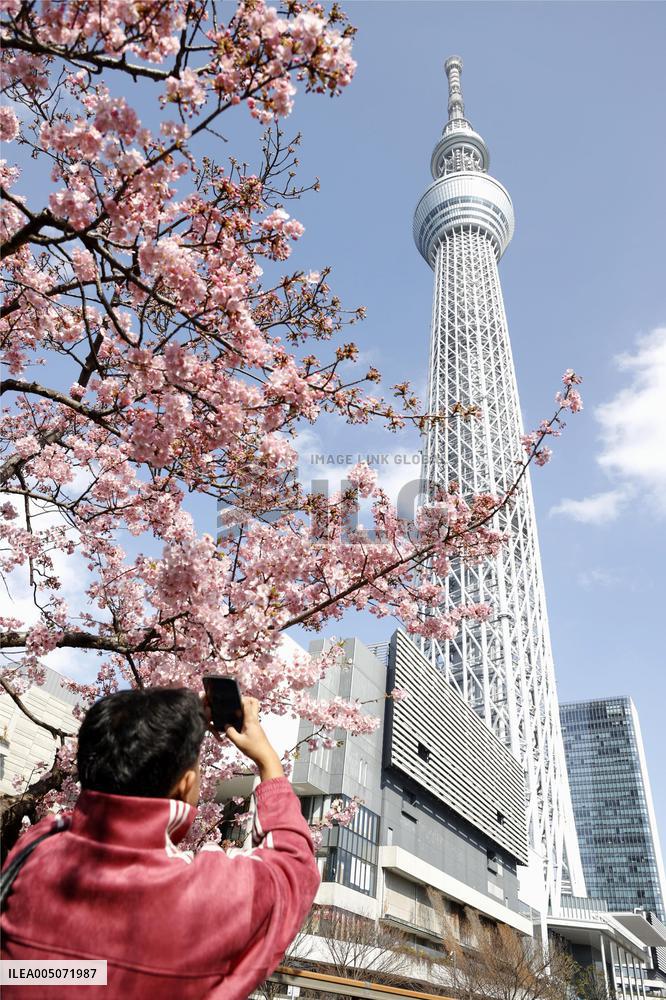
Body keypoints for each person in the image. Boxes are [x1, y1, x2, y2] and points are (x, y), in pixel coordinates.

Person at [0, 687, 320, 999]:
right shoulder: (207, 894)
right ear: (186, 785)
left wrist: (171, 718)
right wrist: (269, 763)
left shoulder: (38, 848)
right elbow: (293, 866)